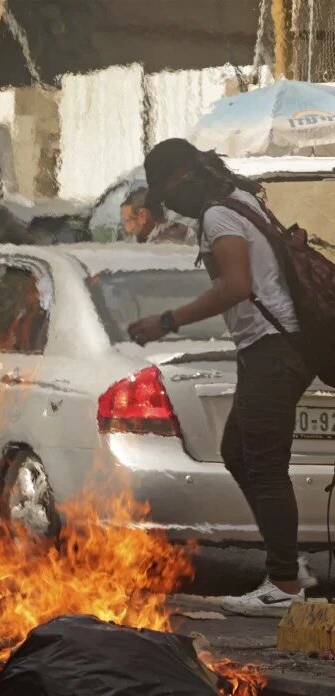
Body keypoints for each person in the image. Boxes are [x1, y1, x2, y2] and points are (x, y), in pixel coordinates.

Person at [127, 138, 316, 617]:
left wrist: (166, 321)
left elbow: (236, 286)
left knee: (264, 464)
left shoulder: (218, 214)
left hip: (274, 349)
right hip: (272, 348)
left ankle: (285, 585)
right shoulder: (241, 200)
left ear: (180, 177)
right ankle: (288, 562)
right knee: (237, 452)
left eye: (165, 194)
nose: (169, 205)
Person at [119, 186, 193, 244]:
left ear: (143, 215)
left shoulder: (165, 242)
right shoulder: (172, 229)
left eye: (128, 221)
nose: (127, 229)